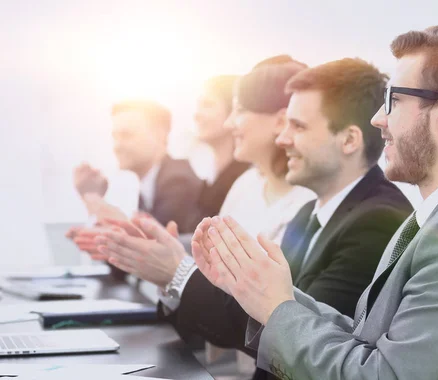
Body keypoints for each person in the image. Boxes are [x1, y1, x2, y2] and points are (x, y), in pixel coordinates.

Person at [193, 25, 438, 380]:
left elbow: (384, 376)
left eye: (394, 99)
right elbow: (366, 341)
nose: (378, 118)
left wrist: (278, 307)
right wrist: (270, 295)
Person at [96, 58, 412, 380]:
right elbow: (269, 324)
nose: (282, 138)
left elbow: (293, 340)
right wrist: (180, 273)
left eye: (298, 127)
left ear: (349, 141)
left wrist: (178, 273)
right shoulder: (310, 214)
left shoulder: (376, 221)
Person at [69, 77, 249, 255]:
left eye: (127, 135)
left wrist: (93, 199)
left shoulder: (178, 181)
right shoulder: (151, 184)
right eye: (115, 136)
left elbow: (153, 253)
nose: (117, 145)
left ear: (160, 135)